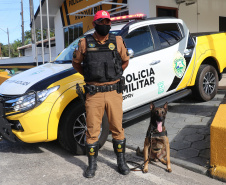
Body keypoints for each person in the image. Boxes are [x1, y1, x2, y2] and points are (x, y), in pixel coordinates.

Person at [72, 10, 130, 178]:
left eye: (107, 22)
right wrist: (89, 76)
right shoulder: (84, 42)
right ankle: (91, 166)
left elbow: (125, 61)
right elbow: (76, 63)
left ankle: (121, 162)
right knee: (92, 131)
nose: (105, 25)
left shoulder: (117, 40)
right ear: (94, 24)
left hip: (113, 92)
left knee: (117, 128)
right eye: (101, 22)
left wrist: (116, 73)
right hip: (94, 94)